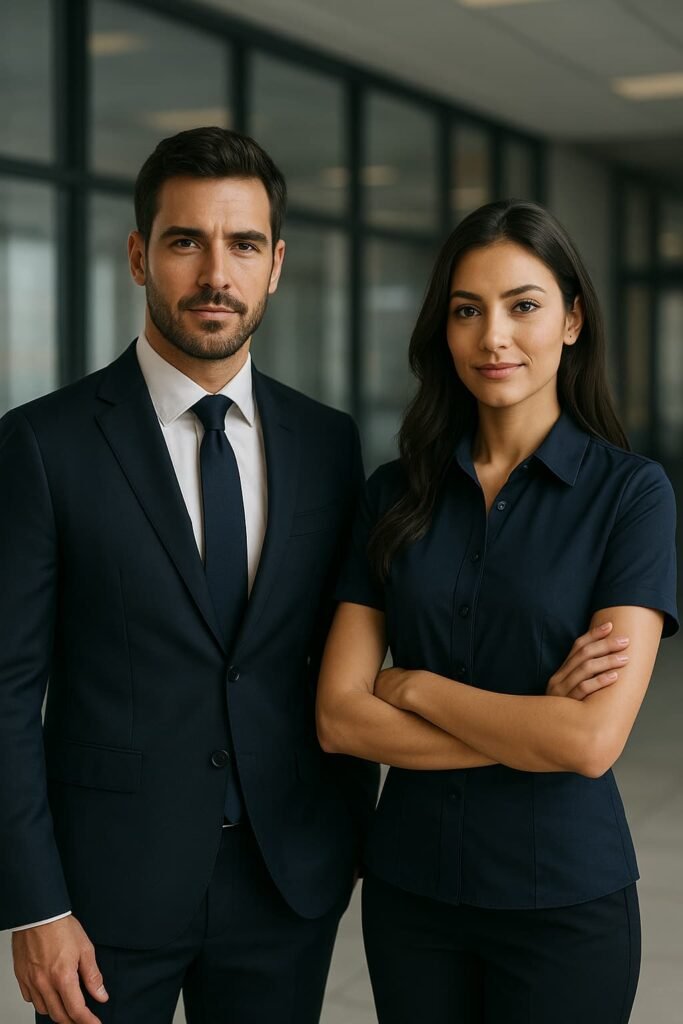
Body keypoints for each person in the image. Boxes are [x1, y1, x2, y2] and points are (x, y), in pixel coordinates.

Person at [0, 126, 378, 1024]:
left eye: (243, 244)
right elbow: (6, 689)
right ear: (139, 256)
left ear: (276, 264)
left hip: (283, 882)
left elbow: (343, 643)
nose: (217, 272)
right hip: (101, 896)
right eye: (185, 242)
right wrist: (35, 904)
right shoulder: (43, 445)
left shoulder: (327, 444)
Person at [316, 199, 678, 1024]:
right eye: (466, 311)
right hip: (412, 896)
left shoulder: (630, 497)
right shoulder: (391, 495)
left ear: (572, 320)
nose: (493, 338)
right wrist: (530, 726)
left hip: (562, 901)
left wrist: (410, 689)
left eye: (523, 305)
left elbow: (588, 742)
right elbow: (339, 719)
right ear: (442, 331)